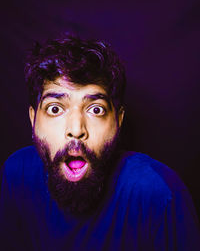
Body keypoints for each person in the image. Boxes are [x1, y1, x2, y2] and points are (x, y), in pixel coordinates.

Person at [0, 34, 199, 251]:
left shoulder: (160, 194)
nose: (76, 130)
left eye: (96, 110)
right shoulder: (15, 175)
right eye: (55, 109)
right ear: (33, 119)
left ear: (118, 120)